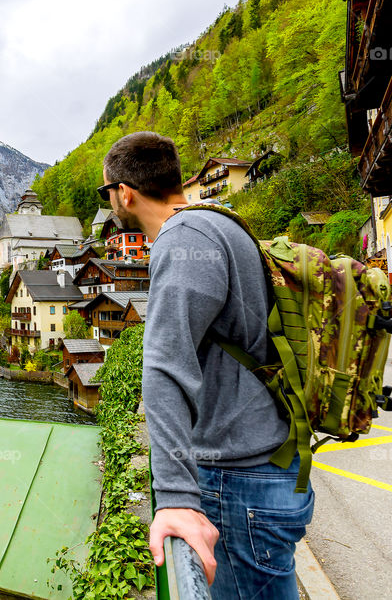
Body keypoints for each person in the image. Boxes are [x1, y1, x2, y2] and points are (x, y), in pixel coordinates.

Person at [98, 132, 314, 599]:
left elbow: (163, 367)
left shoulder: (182, 240)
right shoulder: (219, 223)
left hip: (239, 480)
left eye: (106, 192)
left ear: (125, 193)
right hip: (268, 467)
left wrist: (175, 499)